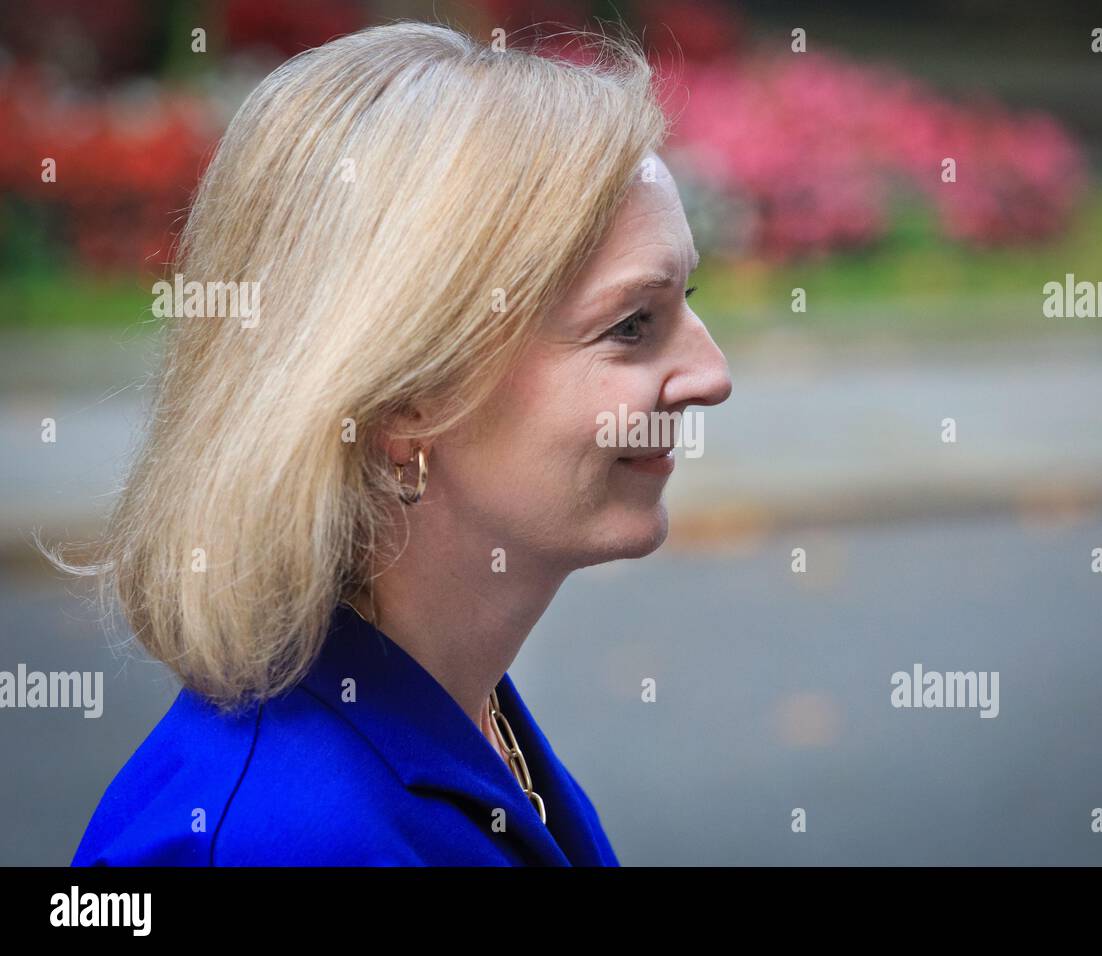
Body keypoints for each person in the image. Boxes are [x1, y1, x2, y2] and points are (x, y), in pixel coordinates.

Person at [51, 19, 732, 866]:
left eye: (687, 298)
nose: (712, 373)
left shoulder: (451, 709)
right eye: (633, 324)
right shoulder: (285, 843)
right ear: (404, 398)